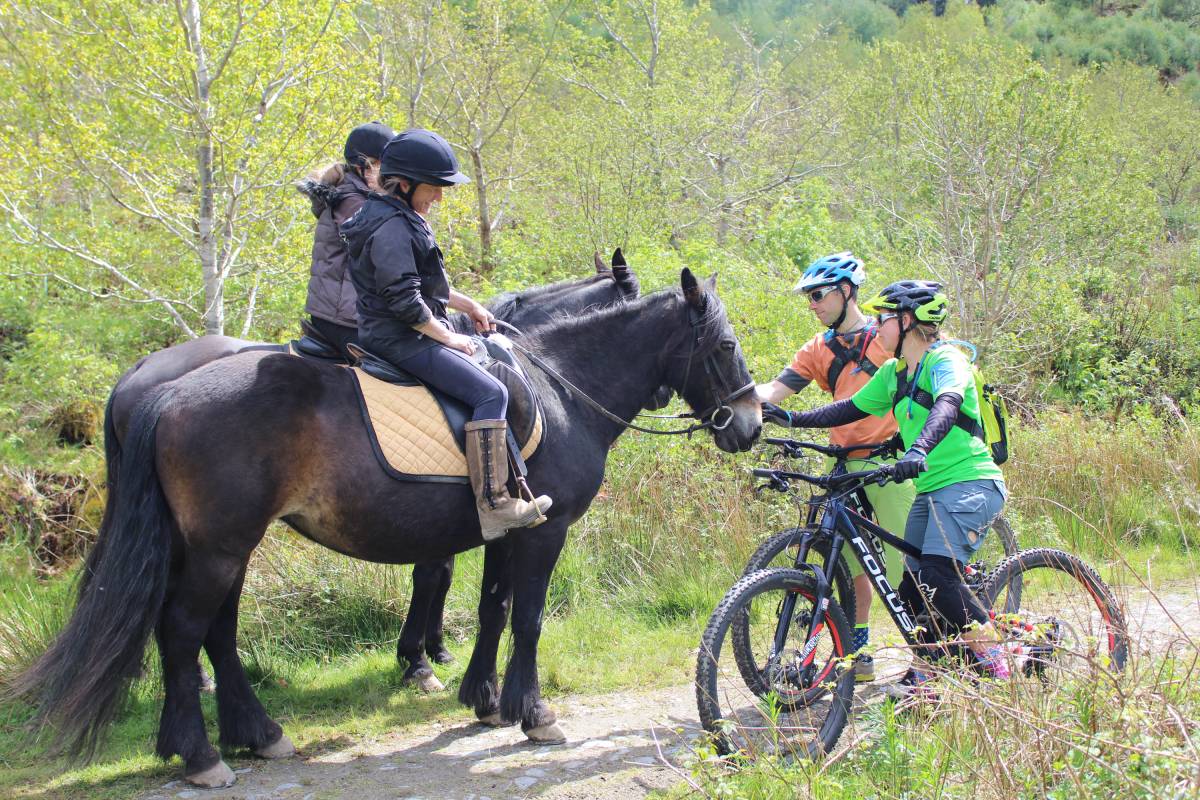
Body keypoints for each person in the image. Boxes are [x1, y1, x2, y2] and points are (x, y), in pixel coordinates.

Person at [765, 280, 1010, 698]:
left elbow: (948, 404)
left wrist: (918, 447)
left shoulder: (945, 360)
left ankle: (998, 665)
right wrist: (788, 418)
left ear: (908, 321)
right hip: (933, 489)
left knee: (936, 574)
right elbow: (849, 408)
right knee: (912, 588)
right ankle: (934, 668)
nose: (876, 326)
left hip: (970, 483)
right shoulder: (896, 373)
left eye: (884, 318)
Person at [340, 128, 552, 540]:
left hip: (400, 331)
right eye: (434, 188)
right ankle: (494, 505)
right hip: (399, 338)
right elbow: (405, 302)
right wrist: (448, 337)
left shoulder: (391, 216)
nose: (438, 197)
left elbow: (423, 286)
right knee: (492, 393)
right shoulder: (392, 229)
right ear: (404, 184)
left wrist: (469, 305)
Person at [758, 252, 916, 683]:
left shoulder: (887, 339)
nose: (812, 303)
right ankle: (859, 652)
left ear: (847, 291)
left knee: (908, 567)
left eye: (818, 294)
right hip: (843, 466)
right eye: (808, 296)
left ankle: (932, 652)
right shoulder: (818, 348)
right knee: (848, 565)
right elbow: (777, 389)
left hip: (889, 463)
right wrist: (734, 400)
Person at [298, 121, 397, 361]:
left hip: (346, 314)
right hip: (345, 318)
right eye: (388, 166)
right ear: (366, 165)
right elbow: (387, 265)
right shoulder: (353, 202)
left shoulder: (355, 195)